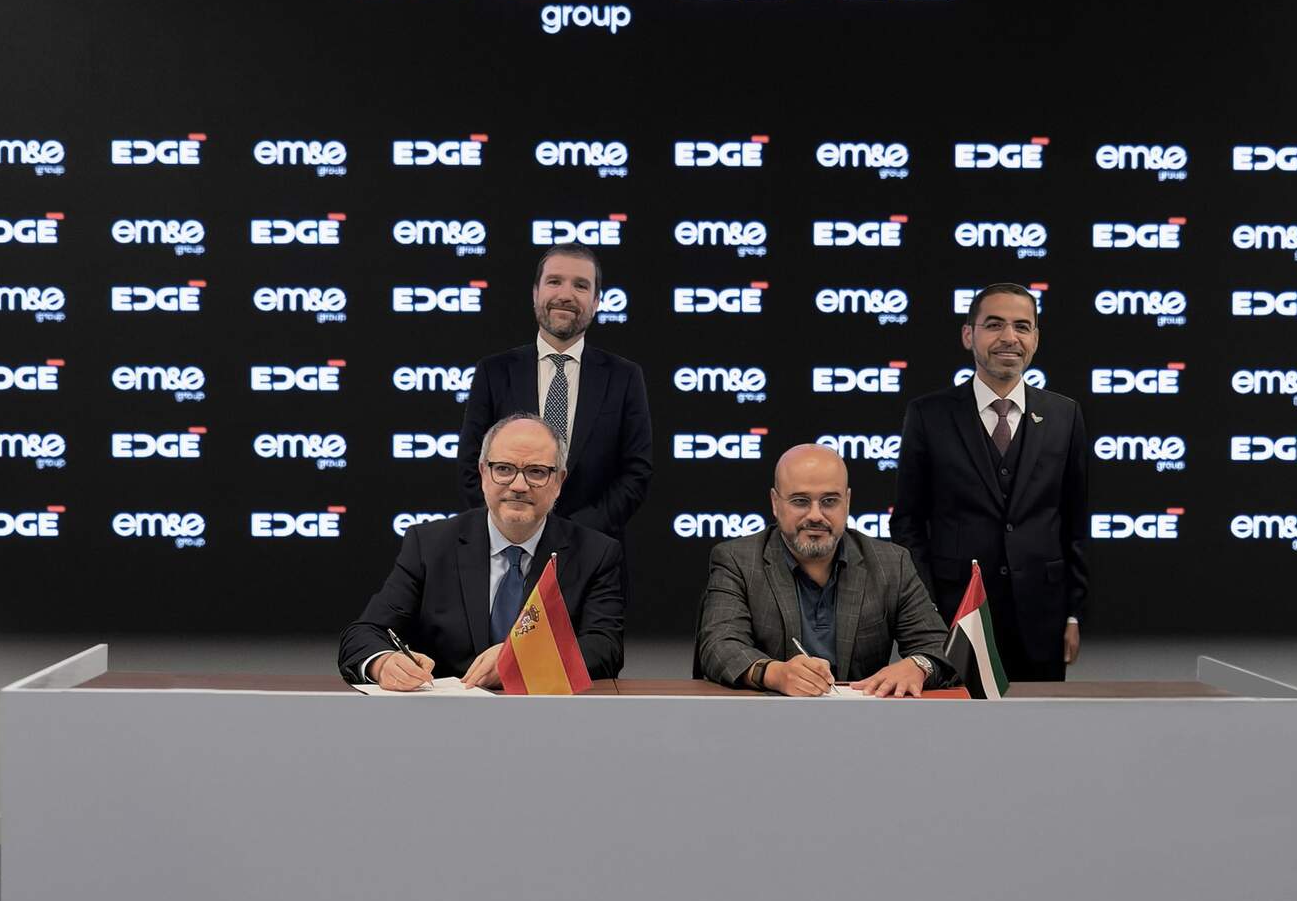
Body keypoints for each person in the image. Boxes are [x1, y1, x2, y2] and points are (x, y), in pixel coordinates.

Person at [890, 283, 1089, 682]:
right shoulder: (928, 415)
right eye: (994, 325)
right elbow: (908, 523)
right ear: (969, 335)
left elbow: (1075, 523)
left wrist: (1073, 613)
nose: (1009, 337)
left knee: (1036, 721)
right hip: (955, 617)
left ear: (1035, 338)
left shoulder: (1065, 414)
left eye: (1022, 326)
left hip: (1042, 618)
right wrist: (927, 613)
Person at [339, 414, 624, 689]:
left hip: (547, 713)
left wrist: (521, 659)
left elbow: (605, 649)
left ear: (559, 481)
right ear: (483, 473)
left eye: (536, 472)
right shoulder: (429, 545)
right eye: (504, 469)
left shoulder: (595, 553)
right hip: (446, 714)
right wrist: (383, 663)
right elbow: (364, 633)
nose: (519, 485)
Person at [697, 444, 952, 697]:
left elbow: (942, 648)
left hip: (864, 719)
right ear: (775, 503)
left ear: (847, 502)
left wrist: (919, 666)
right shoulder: (738, 560)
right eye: (800, 501)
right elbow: (719, 645)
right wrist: (773, 673)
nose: (816, 515)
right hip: (768, 716)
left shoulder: (892, 563)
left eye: (829, 501)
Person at [456, 244, 652, 546]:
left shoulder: (624, 377)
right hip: (505, 549)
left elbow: (636, 473)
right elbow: (472, 464)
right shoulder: (494, 372)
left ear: (596, 301)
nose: (566, 294)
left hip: (593, 552)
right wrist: (513, 529)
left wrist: (573, 534)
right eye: (554, 281)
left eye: (581, 285)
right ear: (535, 293)